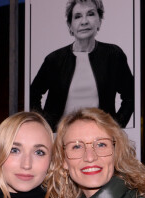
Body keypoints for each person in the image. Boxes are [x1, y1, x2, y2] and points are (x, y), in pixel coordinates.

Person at [30, 0, 134, 130]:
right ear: (70, 25)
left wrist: (115, 127)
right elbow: (32, 94)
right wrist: (46, 126)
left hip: (100, 138)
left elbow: (131, 96)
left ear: (99, 21)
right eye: (78, 16)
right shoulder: (54, 60)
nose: (84, 21)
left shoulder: (113, 55)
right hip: (60, 139)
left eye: (90, 14)